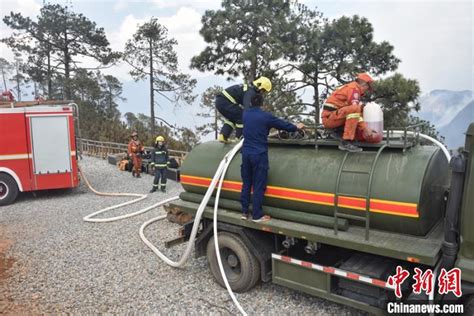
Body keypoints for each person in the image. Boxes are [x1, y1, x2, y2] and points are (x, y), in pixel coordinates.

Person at [241, 94, 304, 222]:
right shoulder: (266, 116)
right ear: (262, 104)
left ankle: (244, 212)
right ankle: (257, 215)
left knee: (246, 183)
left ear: (251, 103)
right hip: (259, 154)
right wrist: (296, 127)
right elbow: (282, 125)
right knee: (259, 184)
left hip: (246, 153)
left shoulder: (245, 114)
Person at [321, 73, 381, 152]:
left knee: (360, 109)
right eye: (367, 87)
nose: (366, 90)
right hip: (330, 119)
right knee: (355, 109)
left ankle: (339, 133)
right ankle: (346, 142)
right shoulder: (354, 89)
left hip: (334, 117)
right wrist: (365, 128)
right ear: (364, 84)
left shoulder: (351, 87)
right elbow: (354, 111)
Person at [216, 76, 272, 143]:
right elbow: (247, 108)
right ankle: (239, 139)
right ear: (259, 86)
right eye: (263, 90)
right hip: (225, 102)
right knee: (241, 117)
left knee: (234, 117)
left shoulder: (249, 89)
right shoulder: (250, 92)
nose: (263, 93)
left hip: (221, 102)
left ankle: (223, 136)